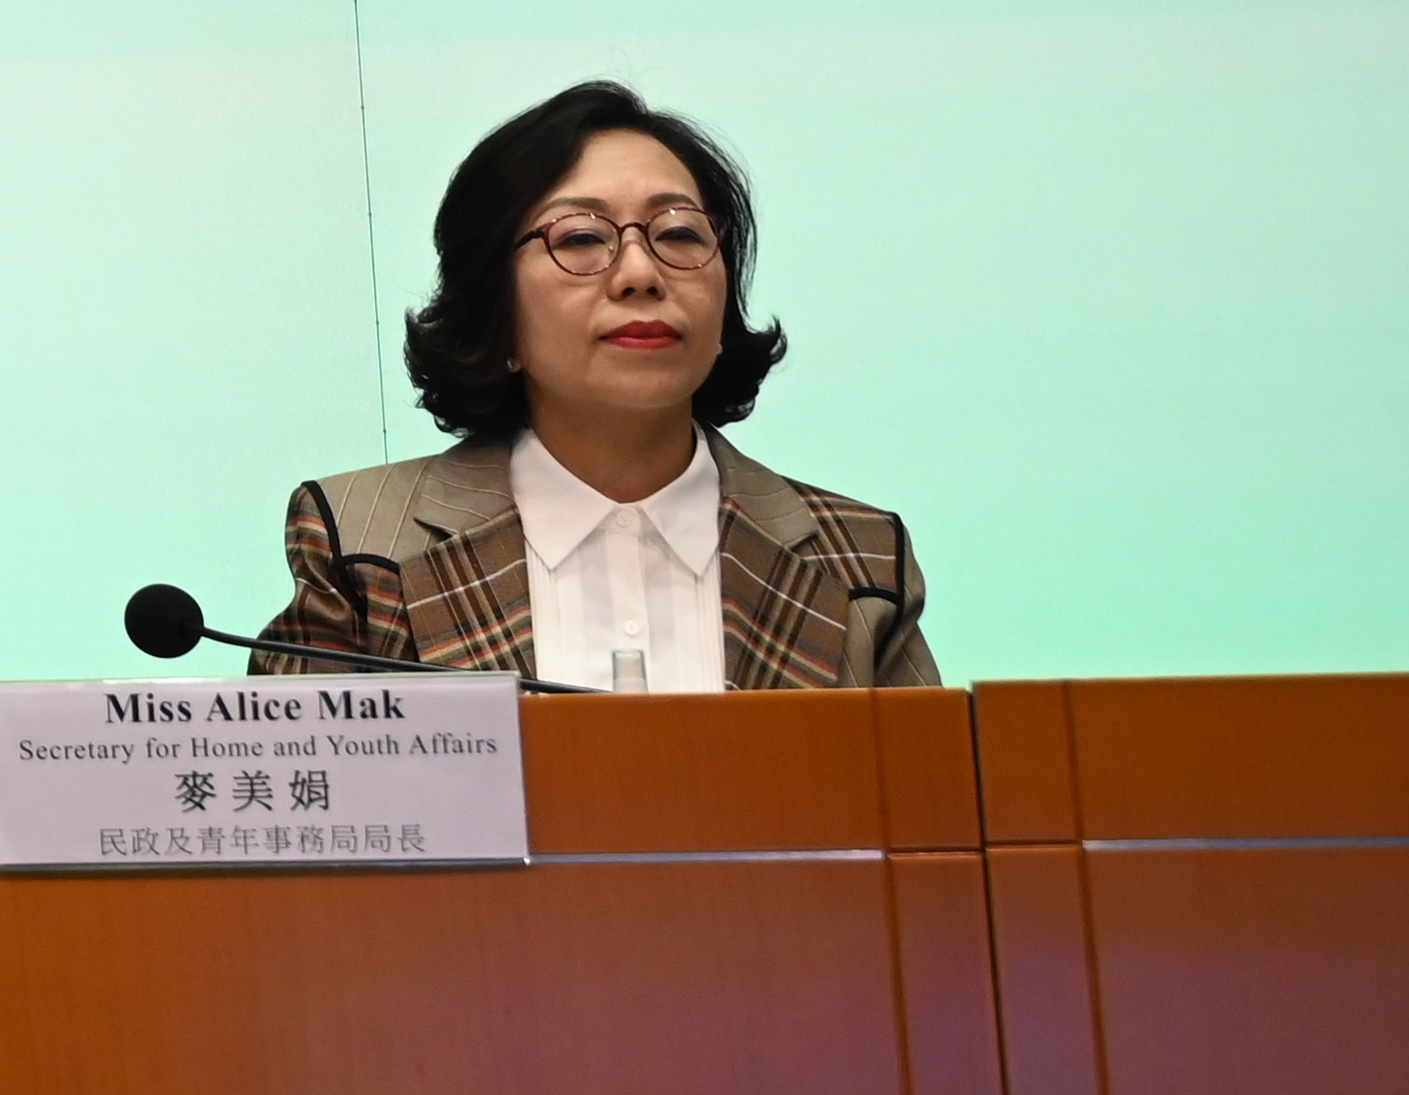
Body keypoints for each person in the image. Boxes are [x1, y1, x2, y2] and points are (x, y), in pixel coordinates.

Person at [272, 80, 937, 690]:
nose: (640, 273)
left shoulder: (860, 557)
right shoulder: (364, 544)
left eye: (679, 232)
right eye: (583, 238)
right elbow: (312, 806)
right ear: (492, 308)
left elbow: (931, 812)